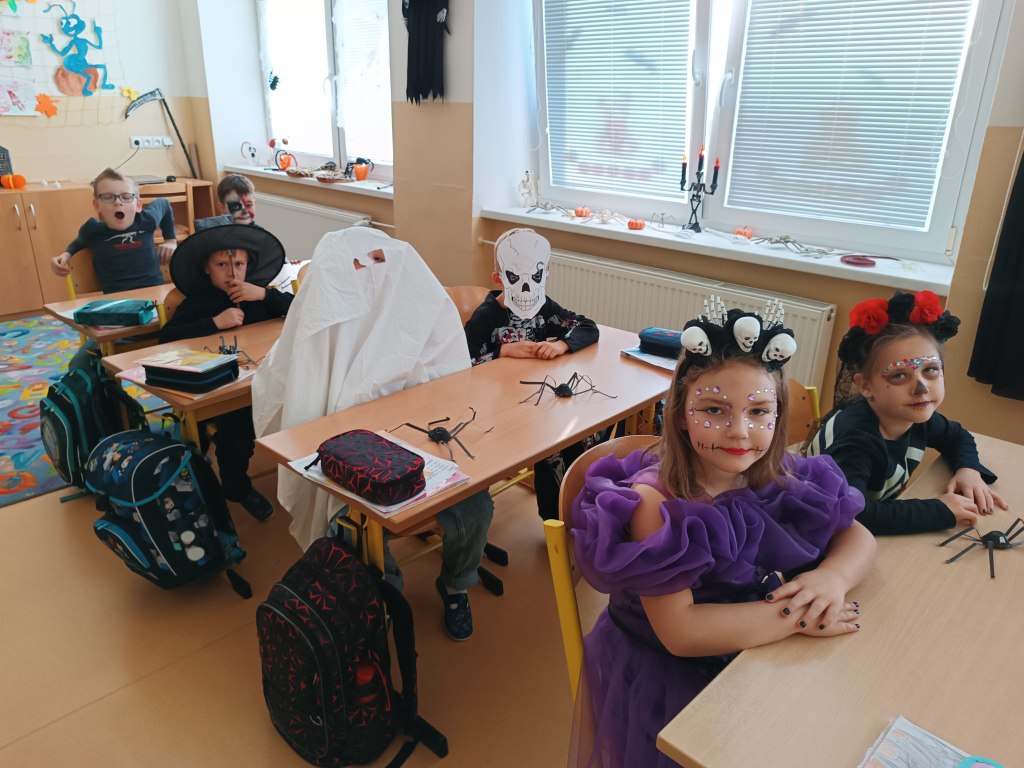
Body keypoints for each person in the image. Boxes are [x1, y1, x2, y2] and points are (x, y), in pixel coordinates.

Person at [570, 297, 875, 767]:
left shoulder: (775, 473)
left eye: (759, 412)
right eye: (714, 410)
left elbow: (857, 537)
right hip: (671, 672)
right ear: (679, 413)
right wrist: (798, 616)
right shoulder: (656, 504)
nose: (738, 431)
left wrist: (831, 578)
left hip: (753, 642)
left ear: (778, 415)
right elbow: (682, 633)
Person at [252, 226, 494, 641]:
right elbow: (295, 397)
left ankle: (456, 585)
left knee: (476, 506)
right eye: (358, 264)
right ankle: (384, 599)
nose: (371, 271)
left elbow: (449, 379)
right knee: (350, 520)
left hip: (421, 439)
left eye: (379, 260)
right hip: (353, 451)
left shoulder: (417, 306)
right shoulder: (322, 323)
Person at [807, 289, 1006, 535]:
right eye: (899, 375)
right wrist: (938, 510)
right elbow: (855, 514)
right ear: (866, 386)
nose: (921, 388)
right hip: (818, 533)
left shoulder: (914, 416)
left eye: (930, 369)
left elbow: (957, 436)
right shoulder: (856, 440)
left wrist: (968, 470)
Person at [159, 225, 293, 521]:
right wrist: (214, 323)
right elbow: (166, 338)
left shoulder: (258, 295)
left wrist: (264, 295)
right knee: (237, 435)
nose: (232, 273)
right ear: (207, 268)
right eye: (222, 264)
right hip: (223, 390)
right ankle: (236, 487)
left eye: (239, 264)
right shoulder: (198, 302)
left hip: (268, 380)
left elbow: (300, 309)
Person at [463, 228, 600, 520]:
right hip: (496, 409)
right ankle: (554, 517)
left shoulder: (543, 308)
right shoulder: (485, 317)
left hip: (536, 400)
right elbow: (462, 362)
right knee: (550, 446)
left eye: (535, 277)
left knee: (578, 436)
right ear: (498, 278)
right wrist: (502, 351)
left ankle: (575, 510)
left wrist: (562, 344)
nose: (526, 289)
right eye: (515, 277)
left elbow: (587, 326)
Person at [50, 168, 178, 370]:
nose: (118, 202)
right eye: (108, 197)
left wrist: (171, 240)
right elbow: (79, 241)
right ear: (97, 204)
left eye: (126, 197)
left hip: (158, 312)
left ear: (138, 204)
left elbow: (164, 203)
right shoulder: (92, 230)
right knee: (81, 363)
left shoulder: (146, 219)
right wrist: (66, 254)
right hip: (118, 318)